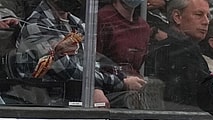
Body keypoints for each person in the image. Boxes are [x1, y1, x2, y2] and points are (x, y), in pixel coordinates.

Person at [13, 0, 143, 106]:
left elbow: (94, 62)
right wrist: (121, 82)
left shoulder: (77, 24)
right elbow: (68, 69)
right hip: (43, 103)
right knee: (128, 101)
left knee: (137, 98)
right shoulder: (36, 25)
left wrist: (116, 78)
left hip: (73, 96)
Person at [144, 0, 212, 107]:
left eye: (208, 16)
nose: (206, 21)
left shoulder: (187, 48)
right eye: (199, 15)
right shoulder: (174, 51)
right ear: (177, 17)